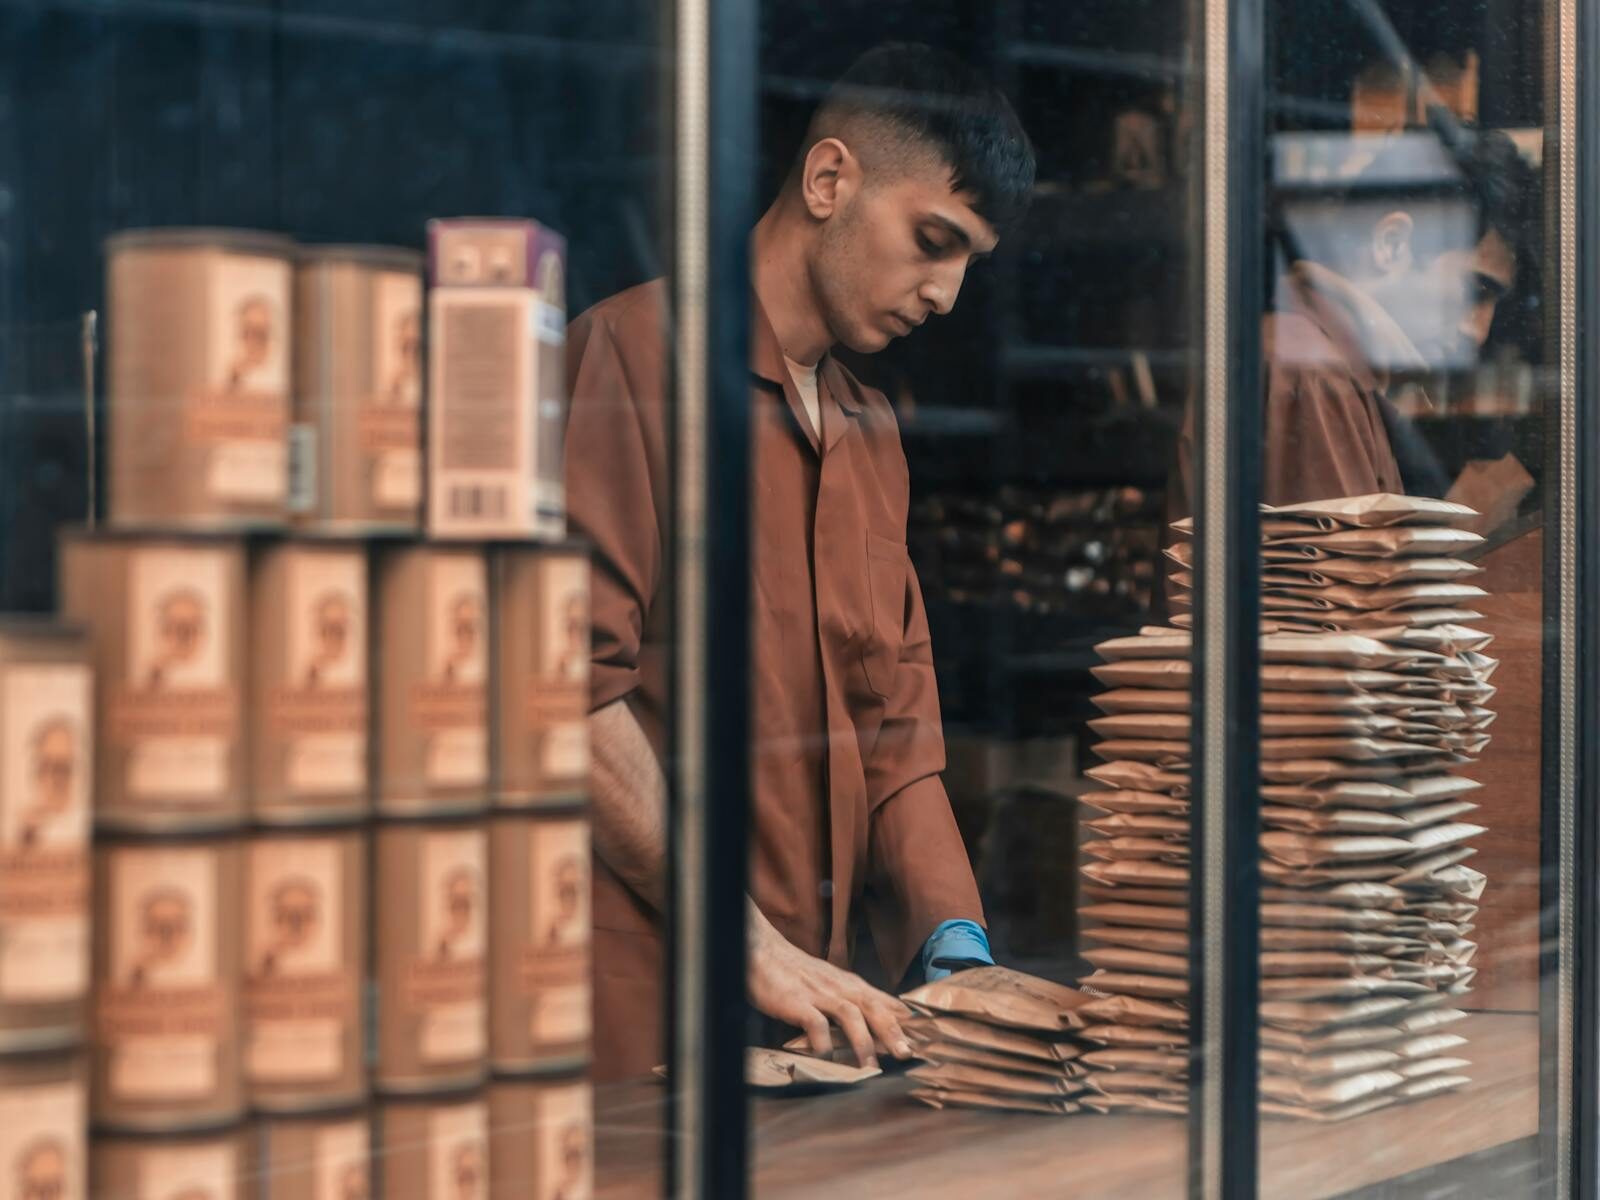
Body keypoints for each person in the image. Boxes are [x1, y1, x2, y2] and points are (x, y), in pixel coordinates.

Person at [565, 43, 1034, 1081]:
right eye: (931, 240)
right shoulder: (634, 357)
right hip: (642, 1028)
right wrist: (751, 948)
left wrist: (955, 947)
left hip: (818, 1029)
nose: (947, 293)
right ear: (829, 181)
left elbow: (897, 740)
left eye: (967, 261)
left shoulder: (872, 431)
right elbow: (561, 702)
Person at [1165, 125, 1538, 532]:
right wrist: (1472, 523)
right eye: (1474, 290)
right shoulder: (1310, 371)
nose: (1478, 331)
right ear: (1392, 244)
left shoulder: (1327, 365)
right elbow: (1340, 591)